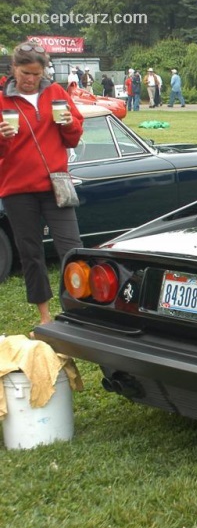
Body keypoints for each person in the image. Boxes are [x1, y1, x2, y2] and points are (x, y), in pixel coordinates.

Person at [0, 42, 84, 326]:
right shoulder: (2, 100)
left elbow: (72, 138)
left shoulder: (56, 93)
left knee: (72, 249)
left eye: (36, 74)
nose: (30, 79)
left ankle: (78, 311)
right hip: (17, 190)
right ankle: (45, 317)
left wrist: (69, 123)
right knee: (31, 254)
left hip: (56, 186)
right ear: (14, 68)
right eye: (25, 73)